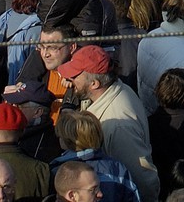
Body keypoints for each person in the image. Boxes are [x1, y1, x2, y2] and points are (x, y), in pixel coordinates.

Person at [60, 46, 159, 202]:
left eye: (75, 75)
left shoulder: (117, 125)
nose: (69, 79)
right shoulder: (118, 88)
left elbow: (141, 176)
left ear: (94, 84)